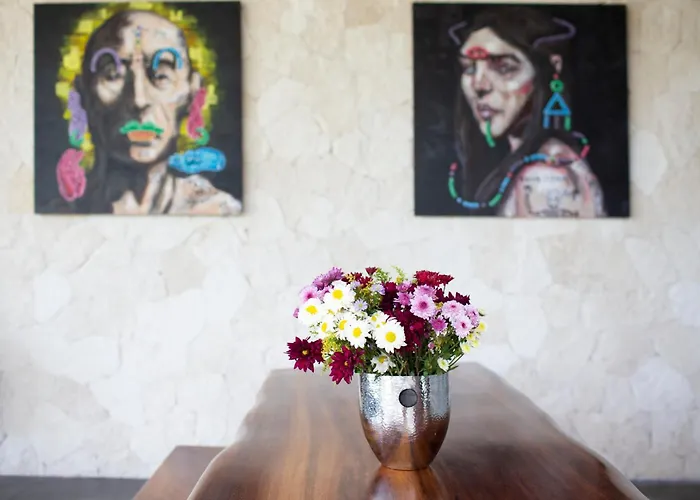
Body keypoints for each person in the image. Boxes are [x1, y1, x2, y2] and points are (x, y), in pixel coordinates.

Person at [57, 9, 241, 215]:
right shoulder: (64, 214)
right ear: (84, 94)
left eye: (162, 76)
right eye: (113, 74)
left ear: (193, 92)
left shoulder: (218, 211)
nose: (139, 100)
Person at [447, 8, 605, 217]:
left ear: (552, 68)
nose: (478, 85)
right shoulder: (526, 162)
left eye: (504, 68)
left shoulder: (547, 176)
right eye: (469, 68)